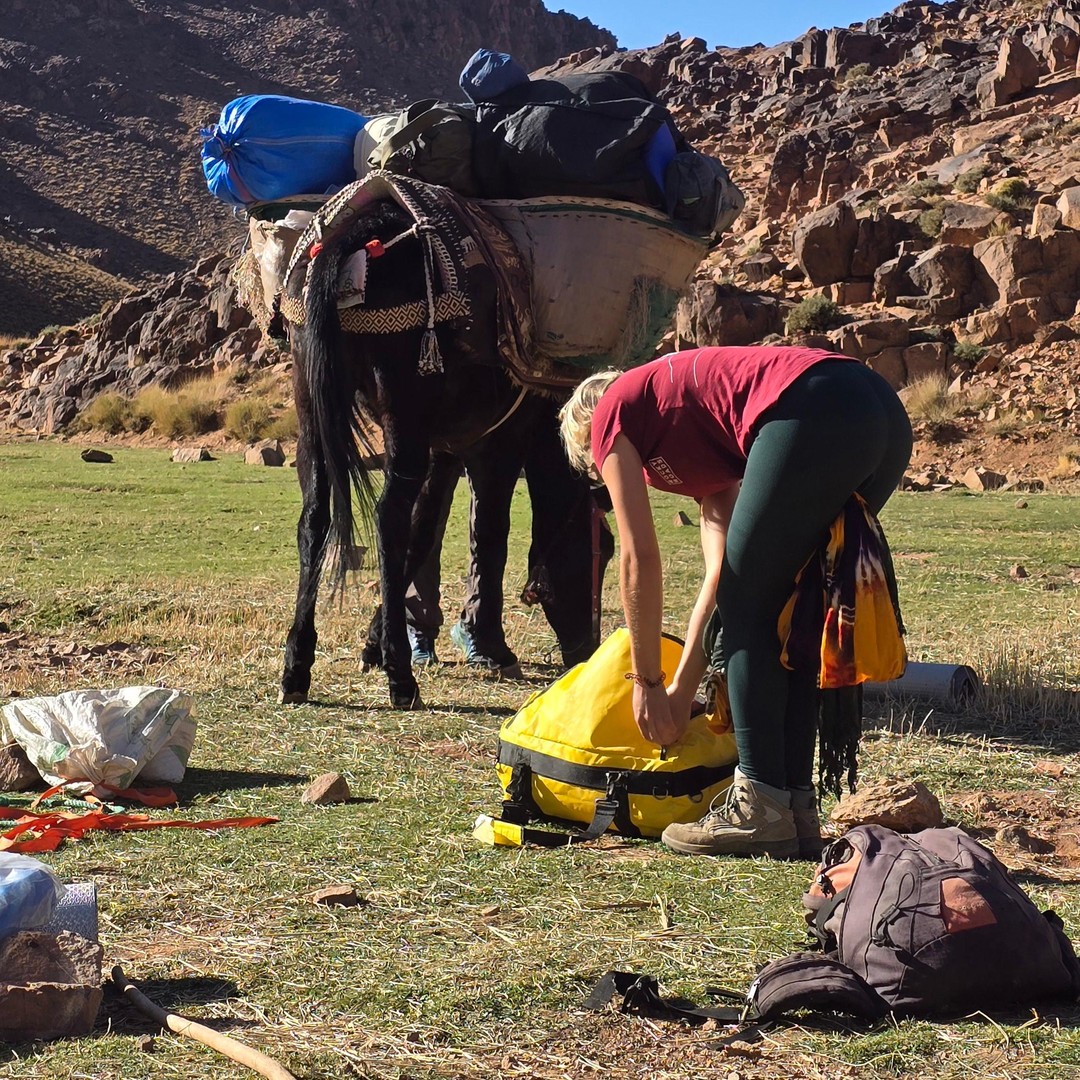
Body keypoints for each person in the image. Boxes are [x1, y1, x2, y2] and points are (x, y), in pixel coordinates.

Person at [558, 346, 912, 859]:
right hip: (877, 412)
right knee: (787, 604)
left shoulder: (612, 411)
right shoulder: (692, 431)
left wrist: (647, 683)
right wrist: (681, 690)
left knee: (753, 603)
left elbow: (638, 558)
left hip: (817, 405)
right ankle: (793, 805)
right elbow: (722, 574)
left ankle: (760, 806)